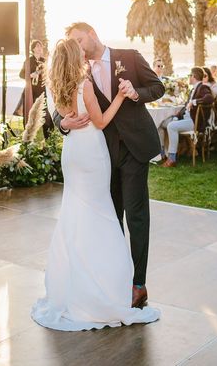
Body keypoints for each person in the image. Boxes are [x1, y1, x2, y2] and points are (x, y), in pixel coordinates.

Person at [32, 38, 160, 331]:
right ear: (75, 58)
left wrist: (66, 123)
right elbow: (100, 122)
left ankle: (74, 282)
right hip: (93, 152)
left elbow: (59, 115)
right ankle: (104, 284)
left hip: (73, 155)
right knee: (101, 211)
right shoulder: (83, 85)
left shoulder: (55, 86)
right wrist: (120, 97)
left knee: (75, 211)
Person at [162, 67, 213, 167]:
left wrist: (194, 102)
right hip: (186, 118)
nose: (189, 77)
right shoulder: (193, 89)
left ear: (193, 76)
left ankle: (172, 159)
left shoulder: (203, 87)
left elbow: (209, 98)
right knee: (164, 123)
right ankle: (163, 153)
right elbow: (186, 106)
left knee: (171, 126)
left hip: (195, 122)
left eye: (190, 75)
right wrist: (177, 116)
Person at [17, 40, 53, 137]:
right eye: (37, 46)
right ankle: (27, 137)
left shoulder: (45, 61)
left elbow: (50, 74)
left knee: (46, 114)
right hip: (30, 91)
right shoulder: (28, 61)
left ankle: (49, 137)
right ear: (33, 49)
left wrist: (43, 73)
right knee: (28, 114)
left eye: (40, 46)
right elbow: (21, 74)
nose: (40, 48)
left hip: (42, 90)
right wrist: (30, 75)